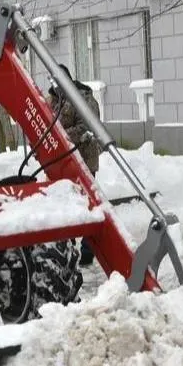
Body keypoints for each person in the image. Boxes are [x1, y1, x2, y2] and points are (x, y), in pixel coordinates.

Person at [53, 64, 103, 266]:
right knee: (65, 206)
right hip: (63, 162)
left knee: (87, 205)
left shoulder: (84, 98)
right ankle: (67, 246)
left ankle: (88, 249)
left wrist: (62, 137)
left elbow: (88, 126)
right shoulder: (55, 100)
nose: (54, 84)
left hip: (84, 160)